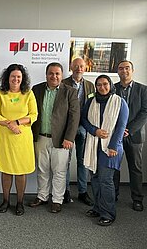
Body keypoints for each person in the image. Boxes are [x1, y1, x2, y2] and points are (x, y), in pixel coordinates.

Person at [29, 62, 79, 213]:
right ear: (46, 74)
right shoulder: (36, 89)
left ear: (62, 75)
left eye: (57, 73)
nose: (54, 76)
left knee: (59, 171)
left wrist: (69, 138)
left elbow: (74, 117)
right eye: (51, 73)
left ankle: (57, 199)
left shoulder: (70, 91)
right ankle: (42, 196)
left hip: (61, 139)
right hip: (41, 137)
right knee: (42, 169)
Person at [0, 64, 38, 216]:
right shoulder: (1, 94)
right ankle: (5, 201)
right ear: (7, 78)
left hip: (22, 138)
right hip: (5, 138)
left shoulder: (28, 94)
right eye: (13, 76)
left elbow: (34, 115)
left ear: (22, 78)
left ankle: (19, 202)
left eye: (18, 76)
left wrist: (17, 123)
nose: (15, 79)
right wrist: (9, 125)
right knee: (6, 170)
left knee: (20, 171)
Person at [82, 75, 128, 226]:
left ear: (110, 85)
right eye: (99, 85)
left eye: (105, 84)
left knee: (106, 180)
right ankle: (97, 207)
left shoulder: (119, 102)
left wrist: (113, 146)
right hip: (94, 145)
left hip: (111, 148)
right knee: (95, 178)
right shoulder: (91, 101)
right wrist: (95, 131)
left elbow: (121, 127)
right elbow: (84, 120)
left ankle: (108, 213)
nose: (102, 87)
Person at [113, 60, 147, 211]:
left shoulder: (143, 90)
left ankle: (137, 199)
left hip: (135, 136)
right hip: (115, 136)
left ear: (132, 70)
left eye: (127, 68)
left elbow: (144, 112)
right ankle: (112, 195)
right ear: (118, 71)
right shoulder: (112, 88)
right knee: (114, 168)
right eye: (121, 68)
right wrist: (119, 130)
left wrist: (128, 129)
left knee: (135, 168)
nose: (124, 71)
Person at [62, 57, 95, 206]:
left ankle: (82, 192)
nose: (79, 69)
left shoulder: (90, 86)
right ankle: (66, 191)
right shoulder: (63, 84)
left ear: (85, 68)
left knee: (82, 161)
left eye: (81, 66)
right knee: (65, 161)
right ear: (71, 67)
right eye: (76, 66)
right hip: (68, 127)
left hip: (84, 127)